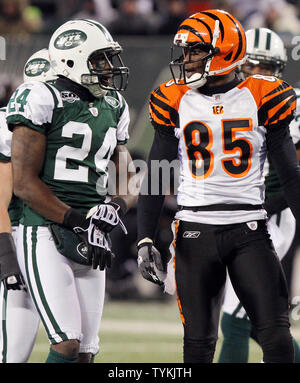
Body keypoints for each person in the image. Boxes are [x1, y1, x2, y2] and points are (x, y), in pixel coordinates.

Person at [136, 9, 300, 363]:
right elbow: (158, 172)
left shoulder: (262, 95)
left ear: (223, 51)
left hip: (249, 228)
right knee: (198, 343)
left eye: (196, 51)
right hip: (196, 230)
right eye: (186, 51)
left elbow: (289, 173)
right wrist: (146, 236)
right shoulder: (174, 98)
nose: (187, 60)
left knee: (275, 335)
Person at [6, 19, 136, 363]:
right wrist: (77, 219)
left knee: (86, 353)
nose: (110, 69)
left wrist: (116, 206)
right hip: (44, 230)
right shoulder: (40, 95)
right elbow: (24, 183)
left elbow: (128, 177)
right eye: (101, 60)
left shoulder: (115, 105)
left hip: (90, 231)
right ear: (73, 60)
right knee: (67, 343)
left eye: (111, 59)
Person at [218, 27, 300, 363]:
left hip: (270, 218)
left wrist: (254, 210)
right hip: (231, 214)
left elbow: (292, 175)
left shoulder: (289, 103)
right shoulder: (219, 101)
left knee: (235, 320)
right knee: (258, 323)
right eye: (253, 66)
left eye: (268, 67)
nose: (260, 75)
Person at [0, 48, 57, 363]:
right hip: (18, 239)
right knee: (12, 354)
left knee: (77, 345)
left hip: (52, 240)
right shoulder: (7, 125)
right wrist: (7, 259)